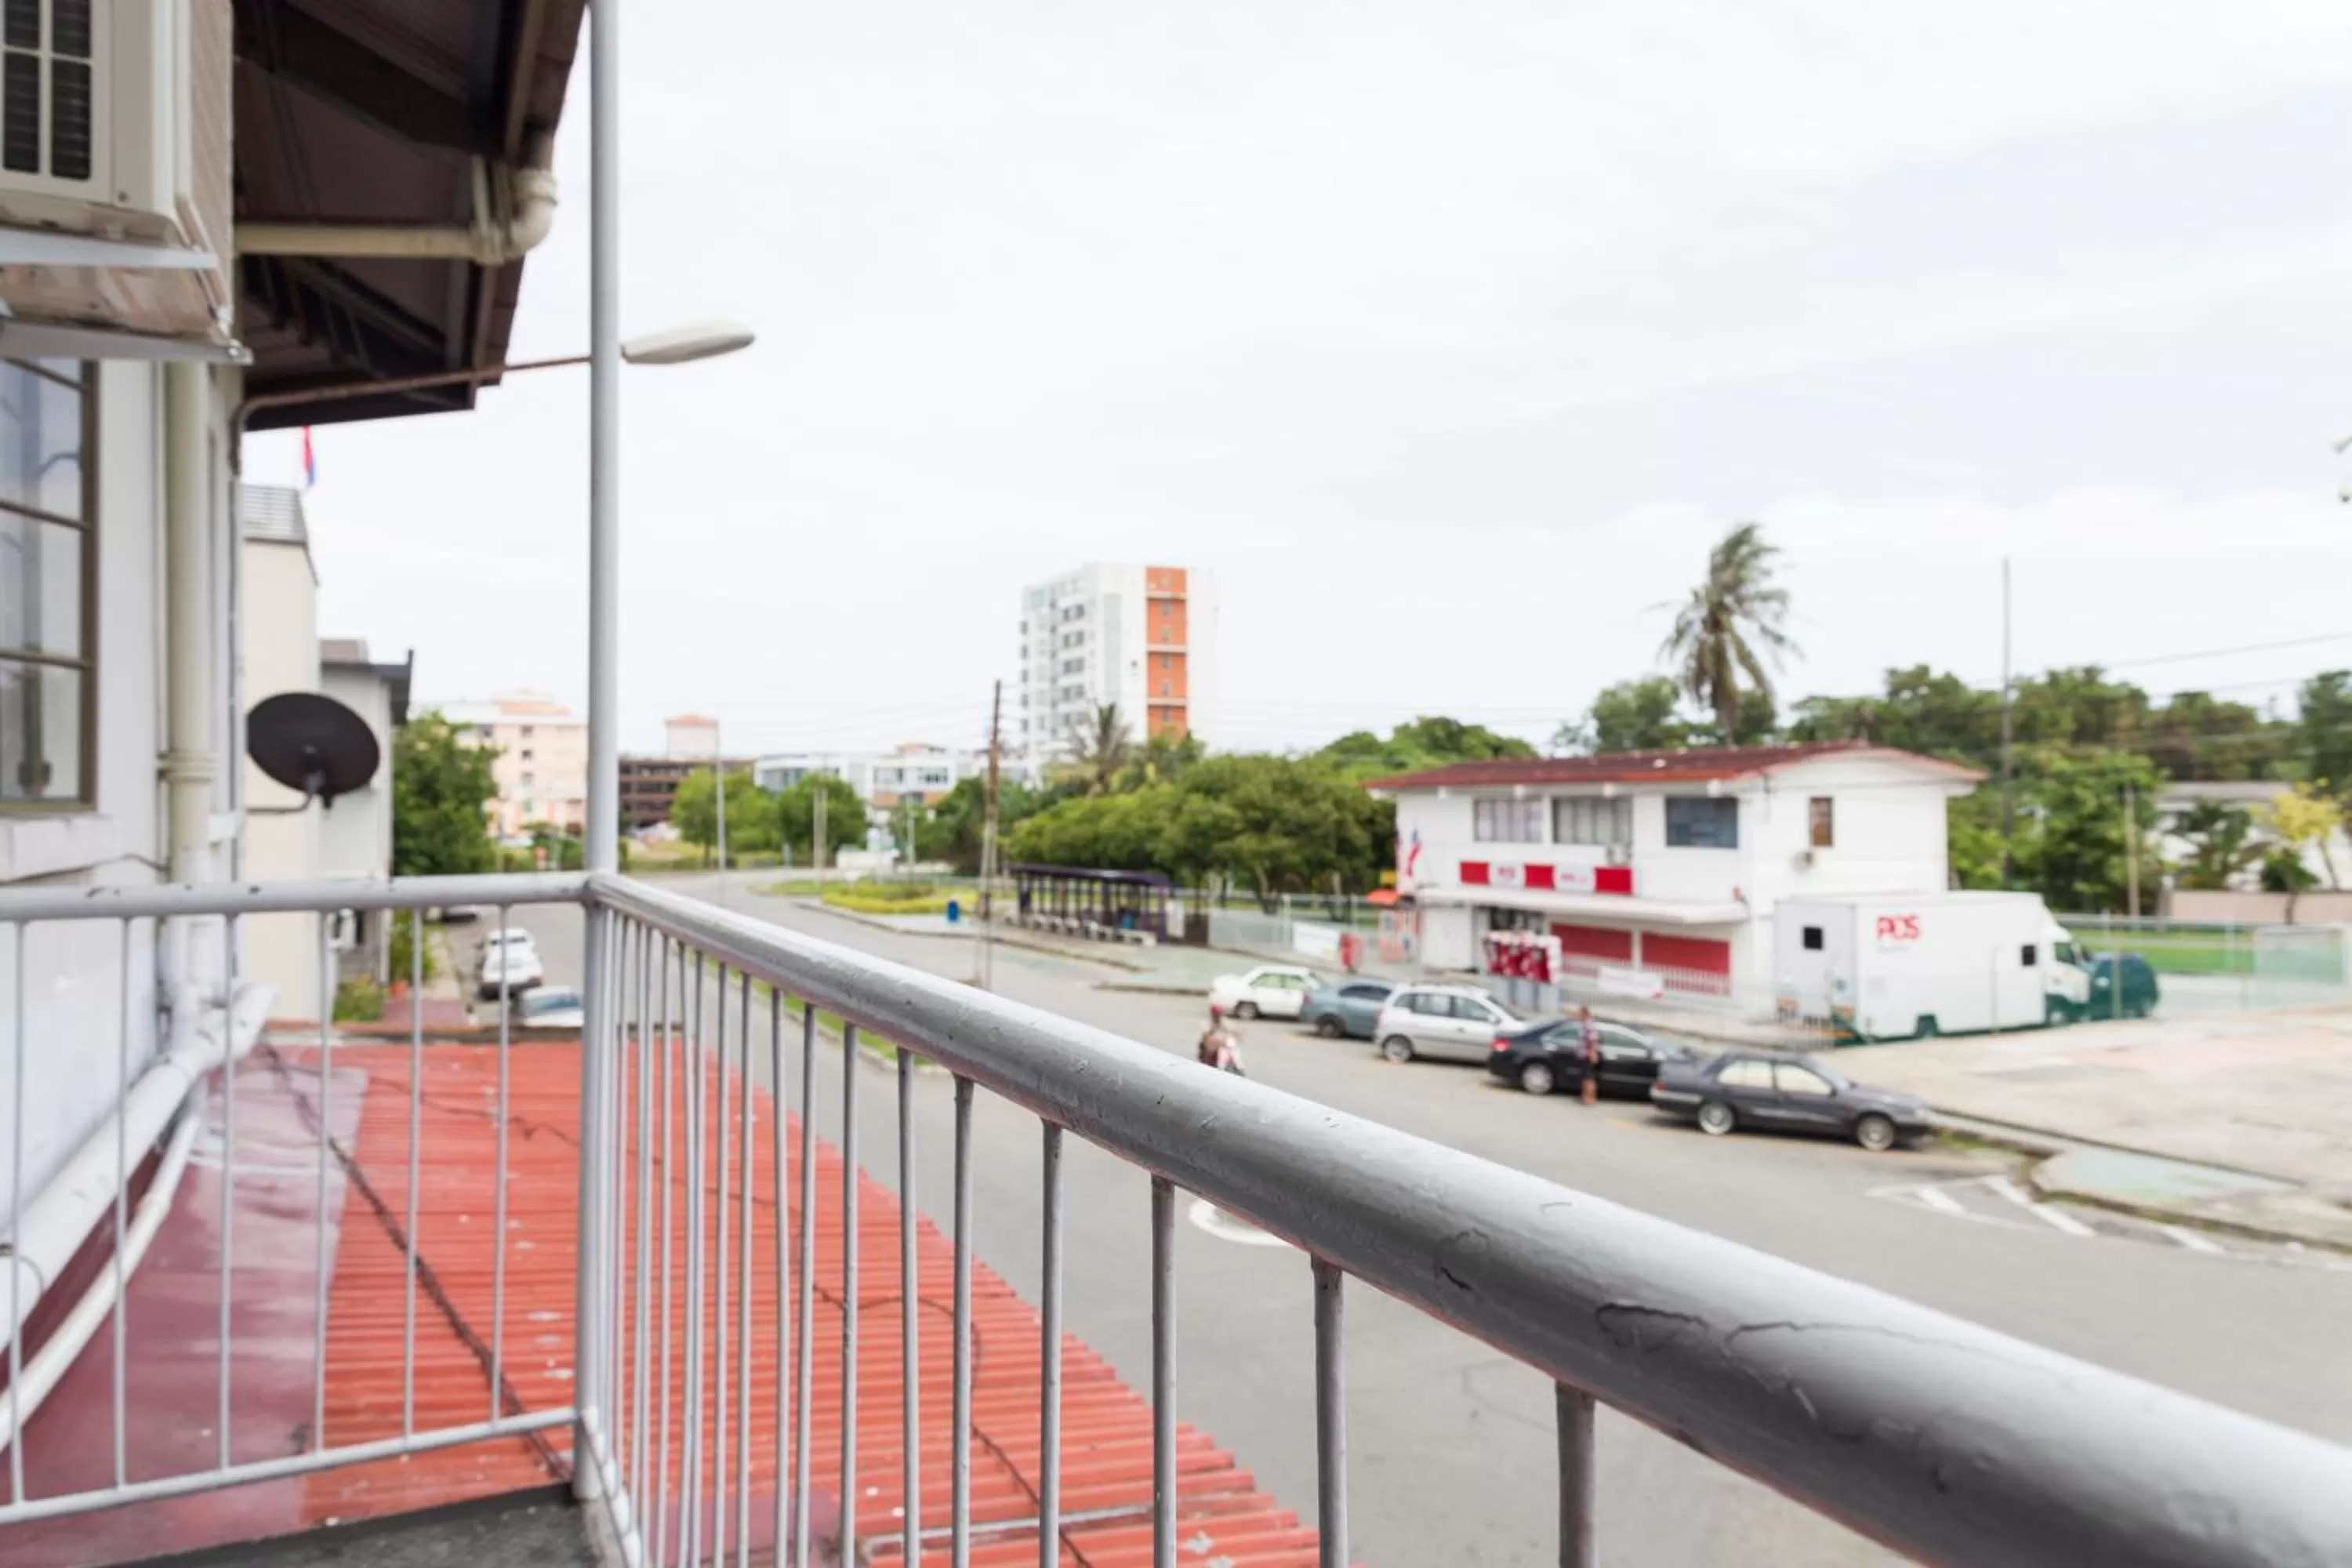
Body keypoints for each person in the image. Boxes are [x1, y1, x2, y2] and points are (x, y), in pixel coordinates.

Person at [1199, 1004, 1246, 1076]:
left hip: (1223, 1045)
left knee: (1231, 1047)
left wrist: (1229, 1037)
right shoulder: (1208, 1024)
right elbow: (1206, 1037)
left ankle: (1239, 1067)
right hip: (1212, 1048)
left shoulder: (1224, 1023)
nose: (1218, 1017)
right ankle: (1221, 1069)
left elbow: (1235, 1032)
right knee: (1222, 1052)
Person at [1577, 1004, 1601, 1105]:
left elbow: (1594, 1041)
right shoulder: (1584, 1025)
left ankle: (1590, 1099)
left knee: (1589, 1079)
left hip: (1588, 1056)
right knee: (1586, 1078)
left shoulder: (1590, 1026)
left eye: (1579, 1014)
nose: (1578, 1016)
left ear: (1585, 1014)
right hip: (1584, 1055)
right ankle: (1585, 1097)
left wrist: (1593, 1054)